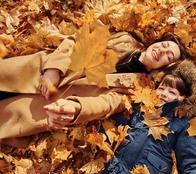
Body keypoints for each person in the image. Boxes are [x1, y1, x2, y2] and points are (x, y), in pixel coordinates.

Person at [0, 30, 186, 140]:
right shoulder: (125, 39)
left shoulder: (140, 88)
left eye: (168, 55)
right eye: (165, 44)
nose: (162, 50)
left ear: (166, 66)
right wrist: (53, 69)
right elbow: (76, 41)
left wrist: (77, 108)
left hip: (46, 105)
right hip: (32, 71)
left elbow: (108, 103)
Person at [81, 72, 196, 174]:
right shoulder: (139, 108)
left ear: (182, 98)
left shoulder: (181, 124)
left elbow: (189, 160)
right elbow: (113, 127)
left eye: (172, 92)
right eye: (162, 88)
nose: (164, 93)